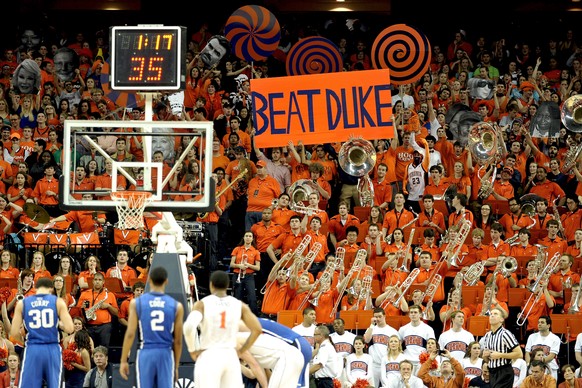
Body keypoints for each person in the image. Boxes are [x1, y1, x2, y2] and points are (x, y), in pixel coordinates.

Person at [183, 270, 262, 387]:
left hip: (209, 354)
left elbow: (189, 327)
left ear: (211, 285)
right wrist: (241, 351)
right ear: (228, 285)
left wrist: (192, 350)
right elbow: (257, 330)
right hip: (230, 356)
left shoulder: (202, 304)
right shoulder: (239, 304)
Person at [120, 267, 184, 387]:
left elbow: (130, 333)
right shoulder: (176, 306)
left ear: (149, 280)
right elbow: (178, 340)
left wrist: (123, 360)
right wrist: (175, 366)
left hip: (146, 351)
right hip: (165, 352)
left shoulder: (136, 303)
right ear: (166, 281)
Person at [10, 277, 75, 388]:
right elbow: (70, 329)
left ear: (35, 288)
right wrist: (58, 323)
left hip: (32, 347)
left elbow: (14, 332)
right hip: (52, 347)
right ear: (51, 289)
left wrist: (24, 339)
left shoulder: (23, 303)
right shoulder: (57, 302)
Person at [479, 307, 522, 388]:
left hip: (504, 371)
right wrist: (485, 356)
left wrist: (500, 355)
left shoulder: (505, 334)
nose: (492, 316)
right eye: (491, 314)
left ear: (502, 319)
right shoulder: (487, 335)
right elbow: (488, 360)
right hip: (492, 371)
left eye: (495, 314)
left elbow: (519, 354)